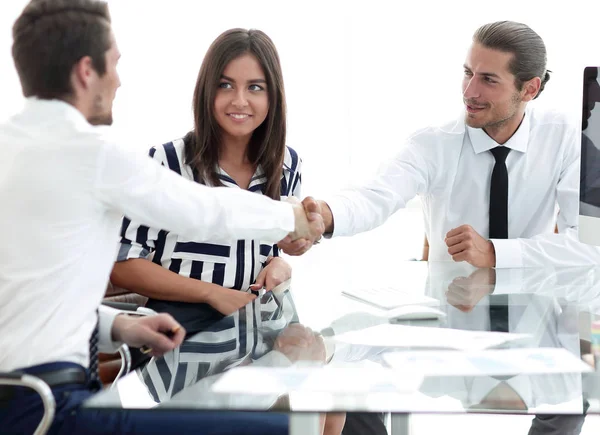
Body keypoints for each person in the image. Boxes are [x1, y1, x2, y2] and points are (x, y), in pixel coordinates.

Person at [0, 1, 323, 434]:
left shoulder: (12, 146)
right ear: (85, 72)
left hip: (24, 396)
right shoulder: (92, 154)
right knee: (278, 428)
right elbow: (208, 211)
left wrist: (122, 326)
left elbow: (28, 297)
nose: (119, 81)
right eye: (114, 65)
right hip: (52, 409)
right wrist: (299, 220)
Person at [280, 20, 593, 435]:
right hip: (444, 318)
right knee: (354, 378)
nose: (469, 92)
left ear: (529, 89)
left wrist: (496, 253)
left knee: (576, 392)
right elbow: (376, 195)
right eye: (467, 73)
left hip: (535, 318)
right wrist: (326, 214)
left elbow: (589, 245)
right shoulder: (434, 143)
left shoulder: (566, 139)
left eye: (488, 80)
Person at [109, 27, 344, 435]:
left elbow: (275, 249)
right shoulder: (167, 161)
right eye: (226, 85)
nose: (240, 101)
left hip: (255, 321)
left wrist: (282, 262)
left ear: (273, 97)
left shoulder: (285, 164)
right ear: (207, 91)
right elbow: (123, 266)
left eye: (255, 87)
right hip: (184, 327)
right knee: (304, 394)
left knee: (336, 390)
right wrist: (213, 293)